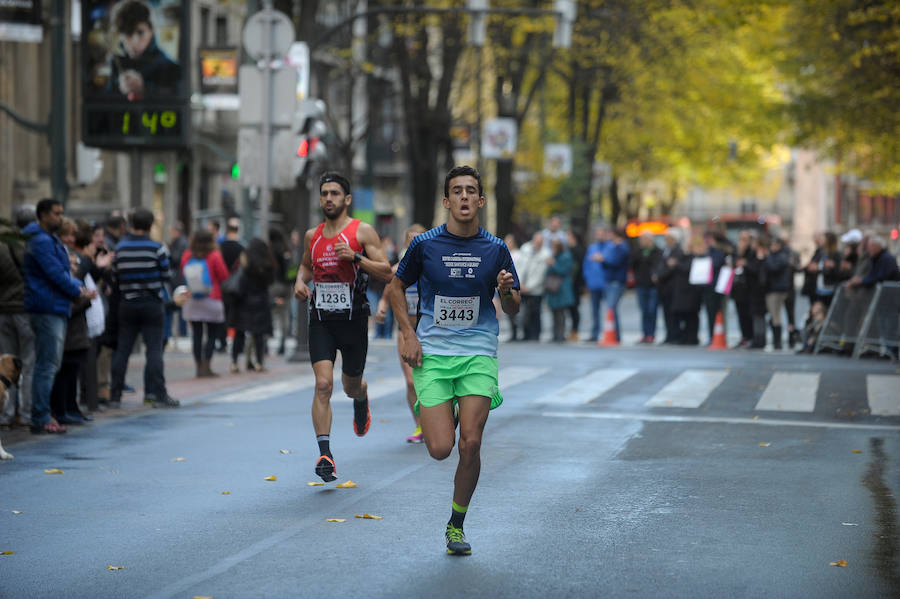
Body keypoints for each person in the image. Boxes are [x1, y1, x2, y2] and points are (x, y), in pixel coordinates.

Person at [385, 165, 520, 557]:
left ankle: (456, 525)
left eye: (471, 191)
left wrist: (507, 293)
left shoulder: (495, 249)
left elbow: (512, 309)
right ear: (446, 201)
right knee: (440, 448)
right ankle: (433, 410)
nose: (464, 197)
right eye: (456, 191)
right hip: (434, 355)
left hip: (478, 352)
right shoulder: (425, 245)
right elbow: (395, 286)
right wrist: (408, 334)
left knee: (471, 444)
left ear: (480, 201)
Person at [292, 172, 392, 483]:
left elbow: (387, 271)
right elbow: (307, 266)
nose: (329, 199)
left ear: (347, 199)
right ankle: (325, 453)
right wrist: (299, 282)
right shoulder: (313, 235)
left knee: (349, 386)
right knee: (323, 385)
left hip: (353, 321)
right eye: (324, 193)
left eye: (335, 193)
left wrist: (356, 257)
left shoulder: (361, 231)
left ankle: (361, 397)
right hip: (321, 319)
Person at [23, 199, 95, 434]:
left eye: (61, 213)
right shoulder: (40, 240)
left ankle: (43, 413)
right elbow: (55, 273)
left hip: (54, 305)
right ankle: (41, 416)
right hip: (47, 306)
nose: (60, 218)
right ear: (43, 215)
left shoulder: (47, 239)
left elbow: (62, 272)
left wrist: (78, 287)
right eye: (56, 214)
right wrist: (77, 290)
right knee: (47, 364)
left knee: (49, 363)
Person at [109, 207, 178, 408]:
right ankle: (156, 393)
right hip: (152, 304)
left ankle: (115, 395)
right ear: (150, 226)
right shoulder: (157, 248)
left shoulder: (120, 248)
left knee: (123, 350)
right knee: (154, 350)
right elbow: (166, 276)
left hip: (127, 303)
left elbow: (115, 276)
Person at [375, 223, 427, 443]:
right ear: (406, 242)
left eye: (419, 238)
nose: (414, 242)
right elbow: (390, 288)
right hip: (404, 330)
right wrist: (383, 304)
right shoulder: (399, 269)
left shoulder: (432, 268)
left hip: (427, 330)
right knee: (410, 381)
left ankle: (436, 421)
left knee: (430, 379)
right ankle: (419, 426)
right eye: (411, 238)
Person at [0, 205, 36, 429]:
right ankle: (26, 414)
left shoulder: (3, 245)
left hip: (3, 309)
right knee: (29, 362)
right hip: (24, 308)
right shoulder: (31, 245)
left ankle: (5, 412)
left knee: (5, 364)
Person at [107, 0, 181, 100]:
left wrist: (145, 89)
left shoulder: (170, 67)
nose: (134, 41)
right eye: (128, 34)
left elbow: (175, 101)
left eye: (140, 33)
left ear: (152, 31)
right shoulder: (115, 64)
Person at [180, 230, 230, 378]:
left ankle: (198, 367)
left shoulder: (187, 255)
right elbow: (224, 275)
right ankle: (207, 366)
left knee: (196, 334)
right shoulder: (214, 255)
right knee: (212, 335)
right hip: (212, 298)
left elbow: (184, 274)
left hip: (193, 299)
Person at [227, 238, 276, 373]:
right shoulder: (266, 264)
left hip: (242, 301)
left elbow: (234, 275)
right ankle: (259, 362)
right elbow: (271, 281)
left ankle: (234, 363)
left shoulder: (243, 260)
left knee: (239, 333)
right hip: (260, 301)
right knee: (258, 334)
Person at [516, 231, 551, 341]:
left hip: (536, 289)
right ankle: (525, 334)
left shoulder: (546, 253)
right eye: (536, 241)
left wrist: (529, 287)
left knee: (535, 312)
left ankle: (535, 334)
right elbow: (519, 267)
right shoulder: (525, 249)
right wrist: (520, 284)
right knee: (524, 312)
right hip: (522, 286)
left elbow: (541, 274)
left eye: (540, 242)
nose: (538, 244)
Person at [631, 232, 662, 343]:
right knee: (644, 310)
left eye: (644, 239)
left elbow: (658, 265)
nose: (642, 242)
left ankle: (651, 334)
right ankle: (645, 334)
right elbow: (632, 264)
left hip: (653, 286)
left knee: (651, 310)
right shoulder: (638, 251)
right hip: (641, 284)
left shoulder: (657, 251)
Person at [601, 228, 630, 342]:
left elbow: (615, 262)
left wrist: (603, 260)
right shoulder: (613, 247)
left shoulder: (621, 247)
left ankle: (615, 335)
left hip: (616, 281)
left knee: (611, 308)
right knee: (611, 308)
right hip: (610, 280)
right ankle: (614, 334)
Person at [545, 238, 575, 342]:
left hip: (562, 288)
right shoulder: (553, 256)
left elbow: (563, 271)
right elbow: (548, 271)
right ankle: (554, 334)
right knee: (554, 312)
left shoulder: (566, 256)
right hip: (553, 288)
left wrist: (553, 264)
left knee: (560, 313)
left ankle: (561, 334)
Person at [583, 226, 608, 342]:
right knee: (594, 311)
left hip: (606, 283)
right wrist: (587, 279)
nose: (599, 236)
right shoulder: (592, 248)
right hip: (593, 283)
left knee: (610, 310)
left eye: (601, 234)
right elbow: (586, 265)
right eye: (598, 234)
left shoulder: (610, 247)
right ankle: (595, 333)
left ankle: (611, 333)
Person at [566, 230, 586, 341]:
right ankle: (572, 331)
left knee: (574, 308)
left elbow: (578, 268)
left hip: (576, 284)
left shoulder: (578, 250)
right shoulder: (570, 249)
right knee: (570, 308)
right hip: (570, 284)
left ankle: (575, 331)